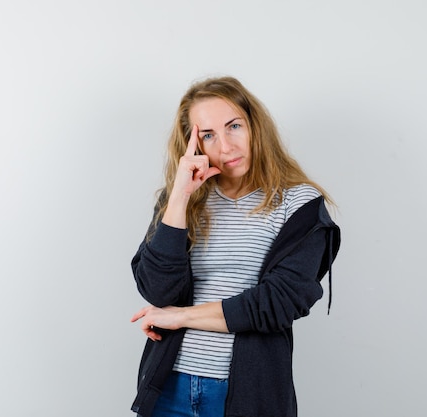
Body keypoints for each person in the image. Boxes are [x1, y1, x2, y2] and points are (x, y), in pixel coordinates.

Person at [129, 76, 341, 417]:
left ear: (254, 124)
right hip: (168, 386)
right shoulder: (182, 201)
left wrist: (181, 316)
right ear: (192, 144)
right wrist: (181, 196)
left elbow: (278, 303)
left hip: (247, 393)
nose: (225, 146)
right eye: (208, 135)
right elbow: (157, 288)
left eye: (234, 126)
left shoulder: (298, 203)